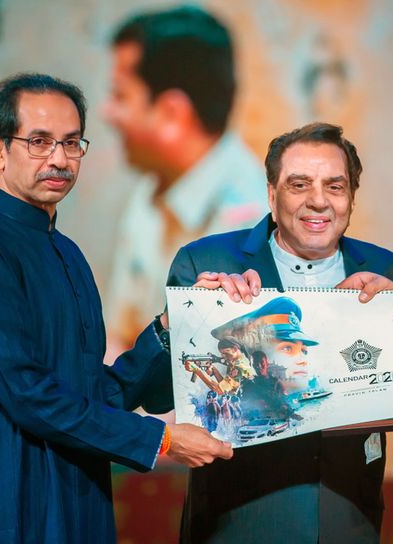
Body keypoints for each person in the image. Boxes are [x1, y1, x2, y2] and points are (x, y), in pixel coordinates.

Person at [0, 73, 232, 544]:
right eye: (40, 141)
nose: (60, 159)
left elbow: (94, 393)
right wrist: (159, 440)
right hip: (4, 509)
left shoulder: (67, 254)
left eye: (72, 143)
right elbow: (28, 394)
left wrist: (171, 328)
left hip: (73, 507)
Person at [166, 122, 393, 544]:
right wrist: (187, 322)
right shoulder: (207, 263)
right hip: (238, 542)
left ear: (351, 197)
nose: (318, 201)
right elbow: (157, 389)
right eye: (299, 184)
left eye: (335, 186)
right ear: (272, 193)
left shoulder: (386, 272)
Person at [103, 6, 269, 359]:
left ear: (171, 114)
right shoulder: (150, 192)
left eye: (120, 96)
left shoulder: (253, 218)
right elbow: (120, 341)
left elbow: (229, 379)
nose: (107, 113)